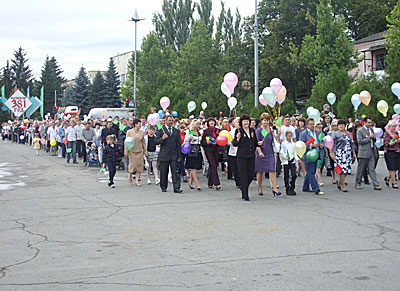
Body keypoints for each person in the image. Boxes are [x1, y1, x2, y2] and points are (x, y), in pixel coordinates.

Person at [233, 114, 259, 201]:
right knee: (243, 175)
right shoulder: (239, 131)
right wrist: (237, 139)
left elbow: (255, 142)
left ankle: (243, 187)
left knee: (251, 174)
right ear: (241, 122)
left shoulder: (252, 130)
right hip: (242, 156)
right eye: (244, 121)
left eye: (247, 121)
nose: (246, 122)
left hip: (251, 155)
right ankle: (245, 193)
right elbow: (234, 144)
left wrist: (258, 144)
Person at [255, 113, 281, 196]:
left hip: (270, 152)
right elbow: (256, 143)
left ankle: (275, 188)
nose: (266, 122)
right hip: (261, 152)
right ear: (261, 121)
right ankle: (260, 188)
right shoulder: (258, 131)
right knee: (260, 171)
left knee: (272, 170)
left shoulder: (272, 130)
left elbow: (274, 140)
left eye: (267, 120)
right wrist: (260, 152)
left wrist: (278, 135)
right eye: (264, 120)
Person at [155, 115, 183, 193]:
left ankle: (176, 187)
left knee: (175, 172)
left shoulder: (176, 131)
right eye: (169, 120)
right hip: (164, 154)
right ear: (166, 121)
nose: (171, 122)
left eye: (172, 120)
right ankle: (163, 186)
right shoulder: (161, 130)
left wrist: (179, 155)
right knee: (164, 171)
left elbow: (178, 143)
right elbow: (156, 141)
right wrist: (162, 139)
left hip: (174, 154)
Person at [355, 117, 381, 190]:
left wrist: (374, 138)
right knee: (361, 168)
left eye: (371, 122)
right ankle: (358, 183)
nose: (370, 124)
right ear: (364, 123)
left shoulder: (371, 129)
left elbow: (374, 140)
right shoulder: (360, 131)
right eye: (368, 122)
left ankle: (376, 184)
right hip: (364, 151)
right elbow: (360, 141)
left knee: (372, 168)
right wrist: (369, 138)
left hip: (372, 150)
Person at [299, 118, 324, 195]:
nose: (312, 125)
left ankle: (305, 187)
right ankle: (316, 188)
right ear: (307, 125)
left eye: (313, 124)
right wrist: (311, 145)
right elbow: (301, 144)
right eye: (311, 124)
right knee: (311, 171)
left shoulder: (317, 132)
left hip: (316, 153)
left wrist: (322, 145)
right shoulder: (303, 133)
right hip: (308, 154)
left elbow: (321, 140)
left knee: (310, 171)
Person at [331, 119, 356, 192]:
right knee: (341, 170)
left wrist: (353, 153)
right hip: (339, 153)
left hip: (347, 153)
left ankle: (339, 182)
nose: (341, 126)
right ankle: (343, 185)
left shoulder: (348, 133)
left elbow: (352, 144)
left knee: (347, 170)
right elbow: (332, 144)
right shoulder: (335, 134)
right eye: (340, 125)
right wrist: (332, 153)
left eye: (343, 125)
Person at [124, 119, 148, 186]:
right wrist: (126, 152)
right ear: (135, 124)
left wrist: (145, 151)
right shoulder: (129, 132)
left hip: (140, 151)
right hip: (132, 151)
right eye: (139, 124)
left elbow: (143, 143)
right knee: (132, 166)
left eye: (140, 124)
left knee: (139, 166)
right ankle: (130, 175)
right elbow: (127, 142)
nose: (140, 125)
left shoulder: (142, 132)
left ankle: (137, 181)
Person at [201, 118, 221, 190]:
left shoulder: (218, 130)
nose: (212, 122)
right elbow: (202, 142)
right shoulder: (206, 131)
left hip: (216, 150)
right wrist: (207, 142)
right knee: (212, 165)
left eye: (213, 121)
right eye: (210, 121)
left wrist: (218, 142)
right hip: (209, 150)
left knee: (214, 166)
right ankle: (217, 183)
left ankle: (210, 182)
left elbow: (222, 139)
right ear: (208, 123)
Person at [184, 119, 203, 190]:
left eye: (199, 124)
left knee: (194, 168)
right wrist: (189, 139)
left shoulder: (199, 132)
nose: (199, 126)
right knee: (193, 168)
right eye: (197, 124)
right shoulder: (189, 131)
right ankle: (197, 184)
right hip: (191, 151)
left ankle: (190, 182)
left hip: (198, 151)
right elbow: (185, 141)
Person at [280, 131, 298, 195]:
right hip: (286, 161)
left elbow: (295, 152)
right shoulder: (284, 144)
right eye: (289, 136)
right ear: (286, 136)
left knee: (294, 174)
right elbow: (282, 152)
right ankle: (287, 188)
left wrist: (297, 159)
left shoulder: (293, 144)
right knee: (286, 175)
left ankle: (292, 187)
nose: (290, 137)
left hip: (292, 160)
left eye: (291, 136)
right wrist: (285, 157)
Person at [383, 121, 400, 189]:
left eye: (395, 127)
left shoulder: (396, 133)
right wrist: (395, 141)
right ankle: (394, 182)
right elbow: (386, 144)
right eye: (392, 127)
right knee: (392, 167)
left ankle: (388, 178)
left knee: (396, 167)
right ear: (389, 127)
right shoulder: (386, 134)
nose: (394, 128)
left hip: (397, 151)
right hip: (390, 152)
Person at [228, 117, 240, 188]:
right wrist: (232, 141)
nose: (238, 123)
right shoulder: (231, 132)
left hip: (242, 152)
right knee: (236, 168)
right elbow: (228, 142)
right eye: (237, 122)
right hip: (233, 152)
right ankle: (238, 182)